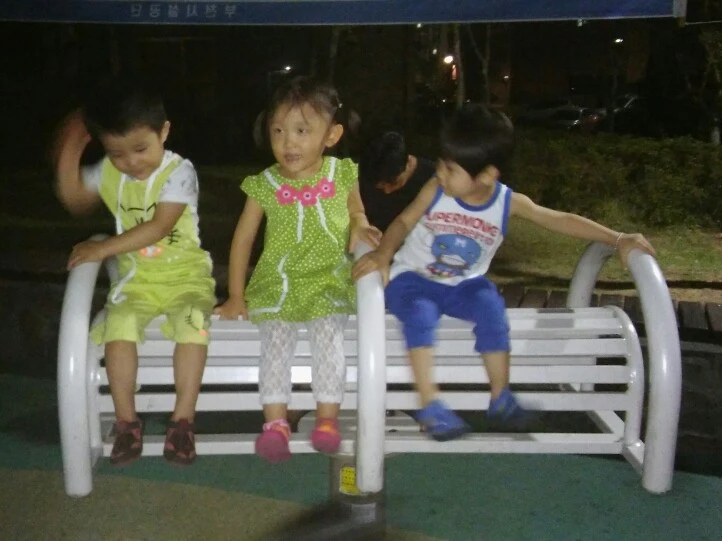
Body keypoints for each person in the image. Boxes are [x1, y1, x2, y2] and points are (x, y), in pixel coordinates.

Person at [352, 103, 656, 441]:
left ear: (486, 176)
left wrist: (618, 238)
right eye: (440, 162)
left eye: (450, 168)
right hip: (413, 279)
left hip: (463, 284)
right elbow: (403, 222)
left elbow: (559, 219)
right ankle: (430, 404)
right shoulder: (435, 189)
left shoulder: (506, 203)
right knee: (420, 314)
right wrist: (383, 255)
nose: (439, 172)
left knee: (491, 305)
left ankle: (501, 396)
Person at [52, 75, 216, 466]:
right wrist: (70, 151)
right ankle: (127, 422)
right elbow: (75, 199)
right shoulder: (110, 171)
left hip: (186, 278)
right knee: (119, 324)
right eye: (117, 153)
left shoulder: (179, 171)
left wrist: (102, 248)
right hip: (135, 280)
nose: (131, 162)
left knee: (193, 324)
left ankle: (182, 421)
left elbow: (159, 227)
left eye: (141, 149)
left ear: (164, 132)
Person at [216, 76, 381, 463]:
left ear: (331, 135)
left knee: (328, 340)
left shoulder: (342, 174)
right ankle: (275, 424)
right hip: (280, 284)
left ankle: (327, 419)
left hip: (327, 281)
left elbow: (357, 212)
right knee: (275, 344)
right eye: (278, 131)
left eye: (302, 131)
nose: (288, 142)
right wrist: (236, 295)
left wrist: (359, 225)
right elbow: (243, 240)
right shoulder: (265, 184)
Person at [358, 131, 436, 232]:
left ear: (408, 162)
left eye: (394, 183)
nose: (387, 191)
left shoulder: (433, 180)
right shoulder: (367, 174)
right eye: (381, 186)